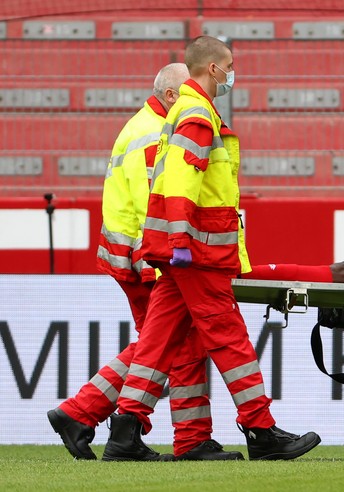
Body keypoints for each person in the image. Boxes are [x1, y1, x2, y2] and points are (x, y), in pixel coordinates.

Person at [102, 35, 320, 462]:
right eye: (230, 65)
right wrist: (182, 238)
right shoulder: (199, 113)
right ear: (213, 68)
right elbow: (183, 181)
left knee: (157, 341)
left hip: (180, 248)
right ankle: (260, 430)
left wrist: (175, 239)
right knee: (230, 337)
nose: (232, 73)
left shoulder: (182, 109)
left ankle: (124, 431)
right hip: (198, 250)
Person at [47, 63, 240, 461]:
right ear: (171, 95)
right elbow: (153, 203)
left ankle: (84, 414)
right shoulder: (158, 132)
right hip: (148, 260)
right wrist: (161, 262)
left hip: (133, 256)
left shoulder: (144, 126)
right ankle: (186, 438)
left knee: (166, 344)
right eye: (187, 91)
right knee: (168, 344)